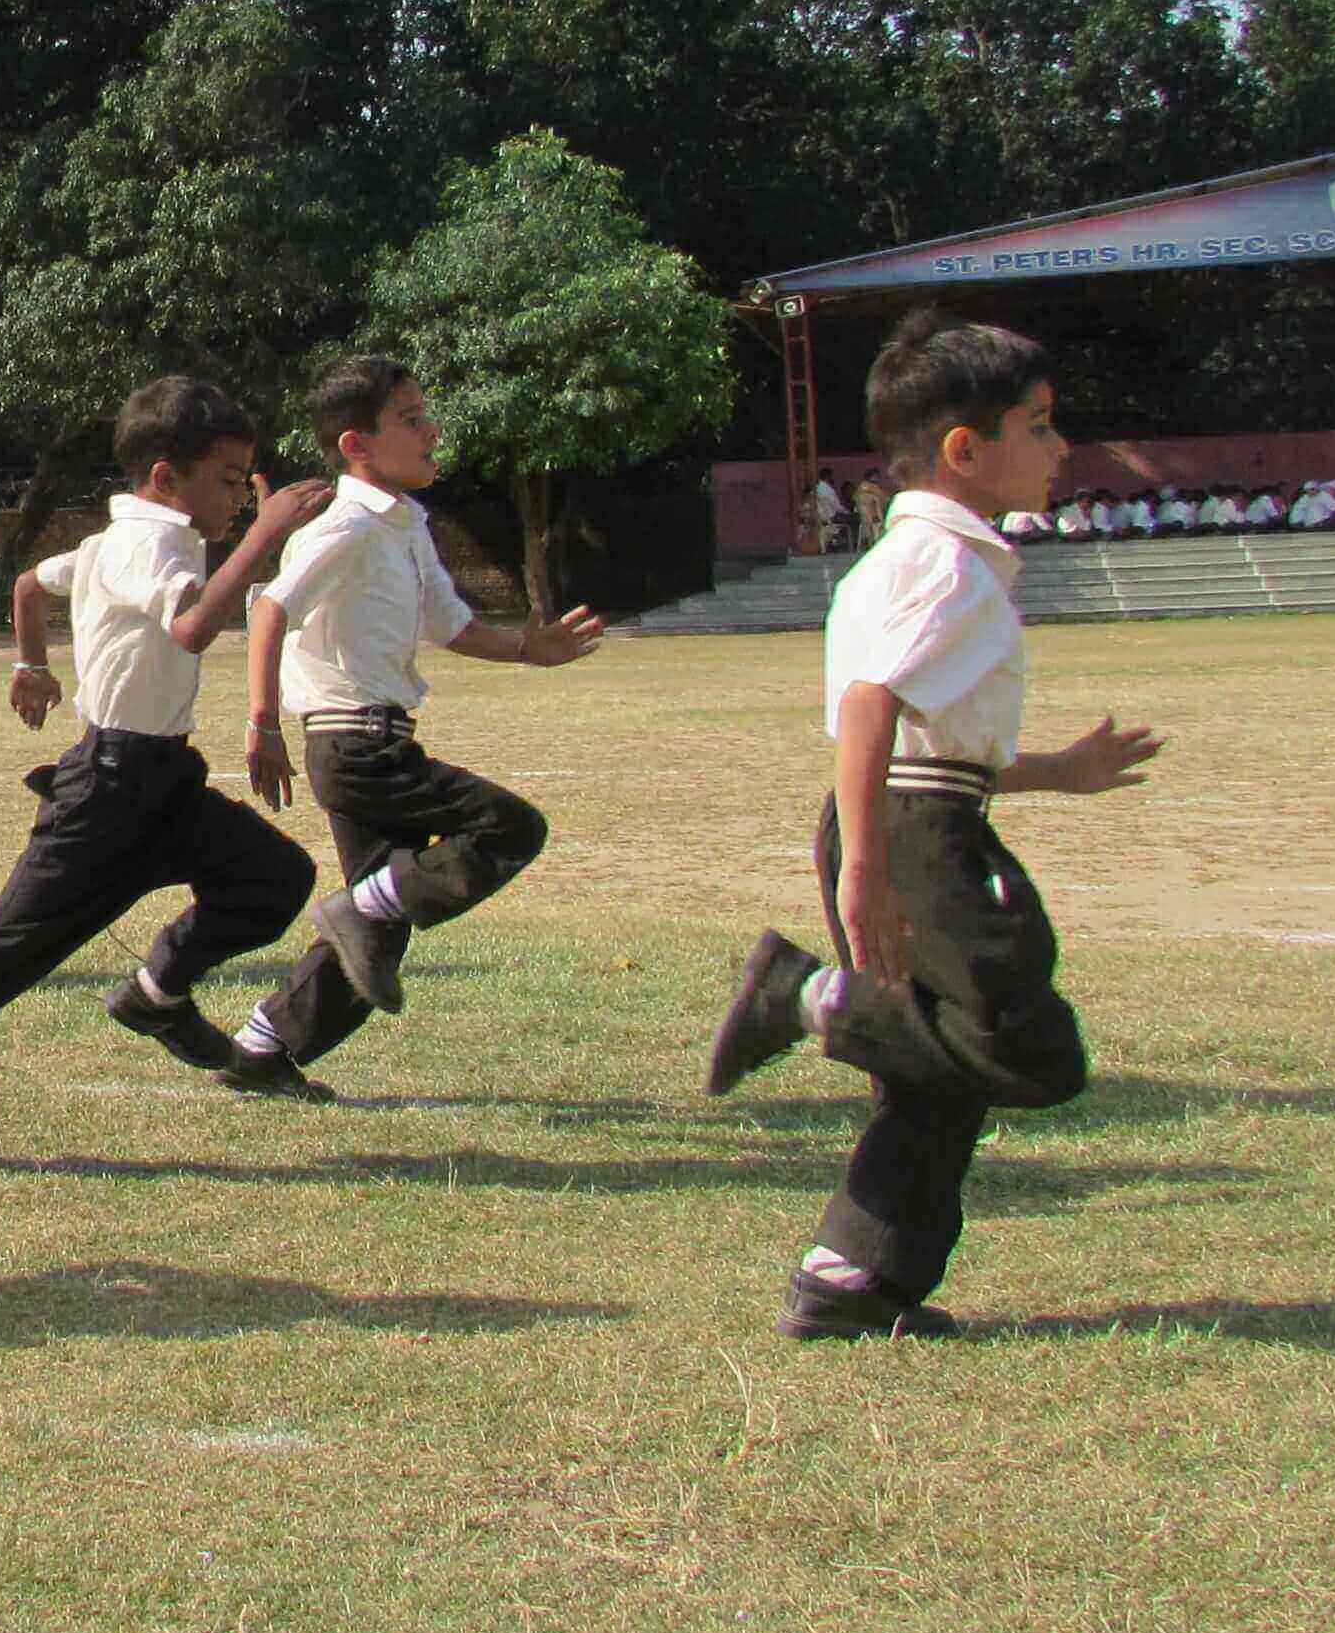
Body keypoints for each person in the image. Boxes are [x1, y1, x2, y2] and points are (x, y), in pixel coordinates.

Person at [705, 310, 1163, 1338]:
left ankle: (851, 1281)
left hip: (910, 814)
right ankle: (806, 998)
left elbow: (934, 741)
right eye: (1038, 426)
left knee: (935, 1080)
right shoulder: (948, 567)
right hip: (914, 834)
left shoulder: (917, 558)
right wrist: (869, 871)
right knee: (1022, 1049)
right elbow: (870, 708)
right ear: (965, 449)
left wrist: (1057, 773)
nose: (1060, 447)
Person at [0, 380, 330, 1164]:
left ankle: (156, 995)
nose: (237, 496)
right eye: (227, 479)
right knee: (1, 949)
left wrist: (31, 664)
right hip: (107, 791)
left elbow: (28, 584)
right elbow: (190, 627)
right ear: (164, 478)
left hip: (165, 782)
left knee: (276, 876)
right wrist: (268, 533)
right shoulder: (141, 545)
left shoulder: (118, 543)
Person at [228, 353, 605, 1096]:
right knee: (510, 827)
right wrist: (263, 724)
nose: (432, 430)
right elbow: (271, 607)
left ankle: (261, 1048)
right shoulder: (346, 527)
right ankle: (354, 911)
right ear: (355, 446)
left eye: (425, 414)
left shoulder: (404, 523)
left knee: (379, 930)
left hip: (377, 739)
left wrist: (528, 649)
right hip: (353, 744)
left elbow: (451, 624)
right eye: (410, 419)